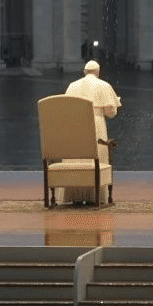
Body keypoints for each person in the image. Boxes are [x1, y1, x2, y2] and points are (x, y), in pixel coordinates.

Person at [63, 61, 121, 204]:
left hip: (75, 125)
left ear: (84, 72)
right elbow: (111, 113)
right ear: (98, 72)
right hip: (96, 124)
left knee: (77, 159)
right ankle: (97, 197)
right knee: (96, 158)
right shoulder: (104, 85)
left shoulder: (72, 86)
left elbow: (66, 108)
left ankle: (75, 196)